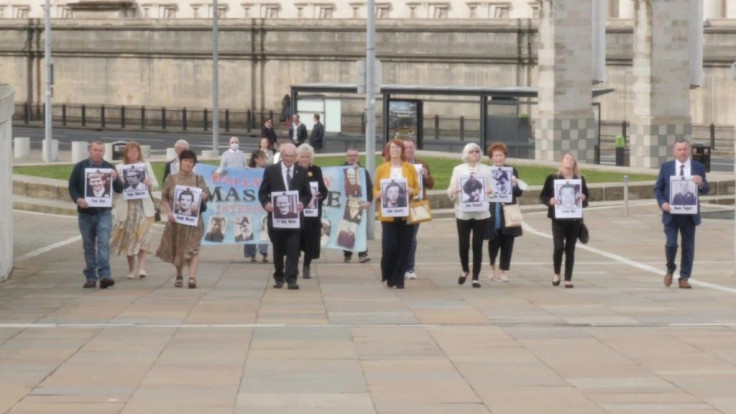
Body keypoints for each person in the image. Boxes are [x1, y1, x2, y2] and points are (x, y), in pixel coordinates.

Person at [654, 138, 710, 289]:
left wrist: (701, 183)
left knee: (688, 247)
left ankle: (684, 277)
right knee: (671, 244)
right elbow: (658, 188)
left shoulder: (698, 167)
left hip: (689, 215)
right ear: (674, 152)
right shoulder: (666, 167)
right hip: (671, 214)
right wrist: (663, 203)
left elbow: (706, 189)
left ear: (689, 150)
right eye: (679, 149)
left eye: (685, 149)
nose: (682, 152)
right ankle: (670, 268)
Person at [68, 141, 124, 289]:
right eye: (95, 150)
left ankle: (105, 275)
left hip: (103, 212)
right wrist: (78, 199)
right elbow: (72, 186)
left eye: (101, 150)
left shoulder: (109, 167)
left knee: (103, 243)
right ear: (89, 150)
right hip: (86, 213)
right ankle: (91, 276)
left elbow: (119, 188)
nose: (98, 153)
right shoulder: (80, 167)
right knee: (88, 245)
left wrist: (115, 178)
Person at [258, 143, 311, 290]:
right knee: (278, 248)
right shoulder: (271, 171)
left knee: (294, 248)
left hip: (294, 219)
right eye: (286, 156)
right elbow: (262, 192)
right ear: (281, 156)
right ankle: (279, 276)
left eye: (292, 157)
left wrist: (302, 203)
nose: (289, 159)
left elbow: (307, 194)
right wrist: (266, 204)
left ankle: (292, 278)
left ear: (296, 157)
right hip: (276, 218)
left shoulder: (301, 171)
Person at [155, 149, 210, 289]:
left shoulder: (199, 179)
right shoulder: (171, 179)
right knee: (179, 249)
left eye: (191, 161)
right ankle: (179, 274)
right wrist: (169, 212)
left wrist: (204, 195)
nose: (188, 164)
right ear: (180, 162)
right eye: (185, 161)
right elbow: (164, 197)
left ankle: (192, 277)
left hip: (195, 221)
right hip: (177, 221)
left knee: (194, 248)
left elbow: (207, 194)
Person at [373, 139, 420, 289]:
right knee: (390, 246)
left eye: (398, 148)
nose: (395, 151)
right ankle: (387, 272)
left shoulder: (409, 168)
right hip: (388, 214)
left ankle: (398, 278)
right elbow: (375, 189)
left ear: (402, 151)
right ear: (388, 151)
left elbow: (417, 187)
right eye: (393, 148)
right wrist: (378, 194)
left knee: (404, 245)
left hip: (405, 213)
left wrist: (412, 191)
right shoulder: (382, 168)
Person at [540, 152, 590, 289]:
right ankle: (557, 272)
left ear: (575, 163)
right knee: (558, 247)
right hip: (558, 218)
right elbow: (543, 196)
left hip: (574, 219)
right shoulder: (552, 178)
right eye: (567, 159)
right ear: (561, 162)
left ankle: (568, 278)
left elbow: (586, 198)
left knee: (570, 248)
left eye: (572, 159)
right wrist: (549, 201)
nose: (569, 161)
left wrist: (583, 198)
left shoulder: (579, 179)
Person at [111, 141, 158, 280]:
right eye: (130, 151)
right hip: (127, 208)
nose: (133, 154)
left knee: (143, 237)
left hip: (143, 208)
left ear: (139, 153)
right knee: (129, 239)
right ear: (126, 153)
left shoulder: (145, 166)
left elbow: (155, 184)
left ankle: (142, 268)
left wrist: (149, 184)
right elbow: (115, 190)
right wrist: (120, 184)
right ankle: (131, 268)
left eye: (135, 151)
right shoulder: (119, 168)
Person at [447, 143, 492, 288]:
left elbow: (492, 189)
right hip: (463, 212)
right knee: (464, 244)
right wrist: (454, 192)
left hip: (480, 213)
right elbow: (450, 190)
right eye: (471, 151)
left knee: (477, 245)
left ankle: (476, 276)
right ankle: (465, 268)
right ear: (466, 153)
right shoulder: (458, 170)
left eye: (477, 151)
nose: (474, 154)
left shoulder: (486, 170)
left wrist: (490, 192)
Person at [486, 143, 523, 283]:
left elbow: (519, 192)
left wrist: (515, 184)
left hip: (508, 209)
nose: (499, 158)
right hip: (494, 208)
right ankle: (491, 266)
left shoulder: (512, 170)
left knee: (508, 241)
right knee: (493, 240)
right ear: (491, 158)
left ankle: (502, 270)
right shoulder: (488, 171)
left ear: (505, 156)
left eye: (501, 155)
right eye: (496, 155)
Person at [403, 139, 434, 280]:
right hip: (401, 204)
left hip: (417, 204)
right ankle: (399, 265)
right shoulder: (397, 164)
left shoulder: (421, 164)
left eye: (411, 147)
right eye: (406, 147)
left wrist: (426, 175)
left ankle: (409, 267)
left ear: (415, 148)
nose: (408, 150)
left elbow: (431, 184)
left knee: (412, 238)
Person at [296, 144, 329, 279]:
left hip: (312, 213)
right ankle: (293, 266)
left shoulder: (316, 170)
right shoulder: (294, 170)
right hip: (297, 212)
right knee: (295, 240)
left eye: (307, 157)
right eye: (302, 156)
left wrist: (320, 195)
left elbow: (323, 190)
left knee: (310, 240)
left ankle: (306, 266)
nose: (304, 159)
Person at [342, 148, 372, 264]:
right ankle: (347, 253)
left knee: (360, 229)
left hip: (359, 203)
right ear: (346, 157)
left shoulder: (363, 171)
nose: (352, 157)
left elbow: (369, 187)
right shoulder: (340, 170)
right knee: (347, 228)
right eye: (350, 155)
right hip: (345, 203)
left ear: (358, 157)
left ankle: (362, 253)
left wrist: (369, 201)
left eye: (355, 155)